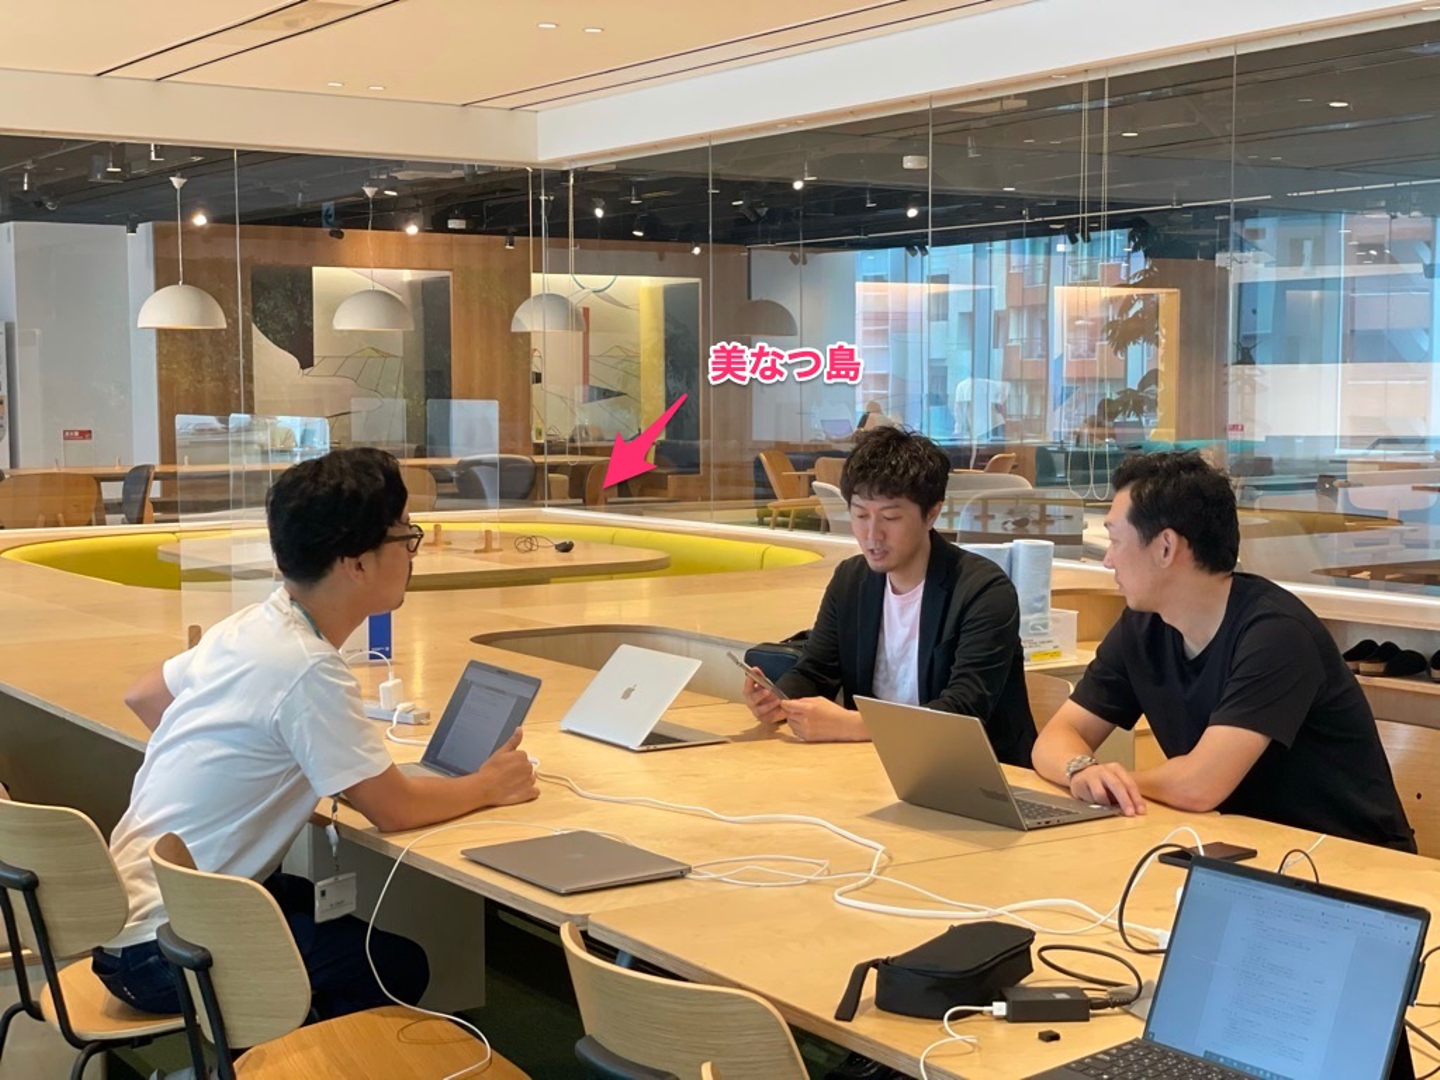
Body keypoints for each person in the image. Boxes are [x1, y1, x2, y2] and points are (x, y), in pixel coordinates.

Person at [94, 448, 541, 1016]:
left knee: (319, 909)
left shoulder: (253, 625)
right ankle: (264, 1057)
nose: (413, 552)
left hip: (126, 924)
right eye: (405, 536)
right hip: (170, 952)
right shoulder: (308, 668)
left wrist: (258, 775)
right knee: (397, 966)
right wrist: (488, 785)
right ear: (356, 563)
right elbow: (395, 810)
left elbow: (145, 696)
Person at [1032, 451, 1415, 852]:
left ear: (1166, 548)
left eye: (1114, 540)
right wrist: (1081, 771)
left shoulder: (1276, 634)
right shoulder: (1142, 625)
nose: (1108, 560)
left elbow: (1200, 786)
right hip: (1239, 846)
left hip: (1346, 861)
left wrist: (1116, 784)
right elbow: (1057, 736)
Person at [742, 426, 1035, 765]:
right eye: (860, 515)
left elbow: (963, 711)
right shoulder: (851, 580)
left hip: (976, 770)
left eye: (890, 517)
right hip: (874, 762)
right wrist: (779, 698)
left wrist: (855, 725)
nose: (872, 535)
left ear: (931, 513)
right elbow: (817, 670)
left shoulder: (983, 590)